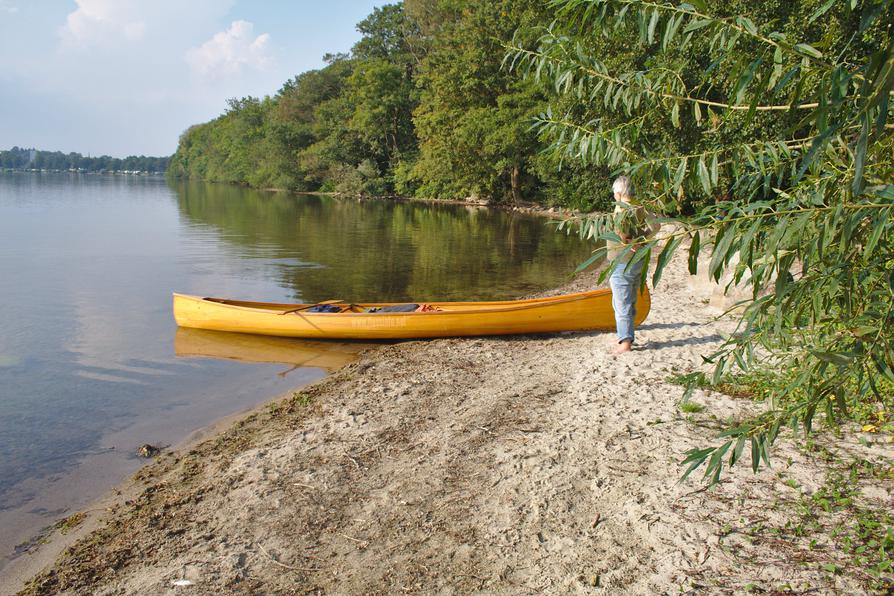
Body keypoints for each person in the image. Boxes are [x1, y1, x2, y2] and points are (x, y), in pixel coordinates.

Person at [606, 176, 659, 354]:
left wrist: (629, 242)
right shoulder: (640, 206)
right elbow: (657, 226)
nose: (614, 197)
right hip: (638, 262)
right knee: (630, 301)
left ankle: (625, 343)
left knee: (622, 303)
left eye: (615, 194)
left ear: (619, 193)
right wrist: (642, 239)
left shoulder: (621, 209)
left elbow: (620, 232)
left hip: (622, 263)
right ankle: (627, 336)